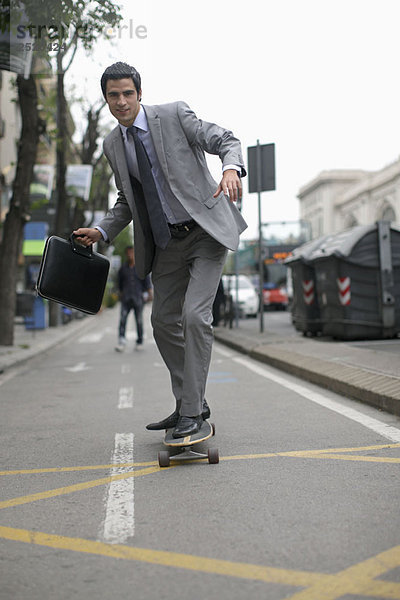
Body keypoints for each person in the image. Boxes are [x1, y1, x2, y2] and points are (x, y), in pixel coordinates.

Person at [73, 61, 247, 438]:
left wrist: (231, 169)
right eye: (113, 96)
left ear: (139, 93)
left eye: (127, 94)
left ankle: (189, 411)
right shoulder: (112, 144)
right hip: (165, 243)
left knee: (195, 316)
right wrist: (102, 230)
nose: (121, 102)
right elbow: (127, 199)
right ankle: (192, 403)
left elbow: (225, 140)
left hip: (205, 232)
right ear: (105, 99)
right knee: (162, 322)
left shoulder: (174, 115)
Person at [115, 245, 152, 352]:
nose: (130, 255)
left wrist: (150, 294)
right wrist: (120, 294)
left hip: (138, 298)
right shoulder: (123, 268)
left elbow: (147, 283)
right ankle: (121, 341)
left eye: (132, 252)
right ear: (126, 254)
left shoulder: (141, 268)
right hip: (125, 298)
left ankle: (139, 342)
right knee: (122, 320)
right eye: (129, 252)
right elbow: (119, 283)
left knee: (139, 321)